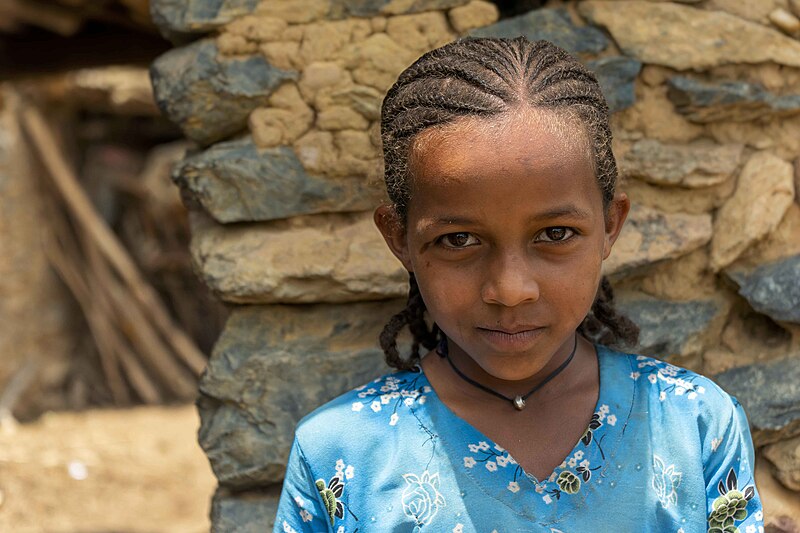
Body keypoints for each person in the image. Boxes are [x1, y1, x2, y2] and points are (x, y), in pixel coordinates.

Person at [274, 37, 762, 532]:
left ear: (610, 225)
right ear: (399, 238)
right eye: (458, 239)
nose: (510, 290)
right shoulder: (339, 452)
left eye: (555, 234)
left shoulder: (694, 425)